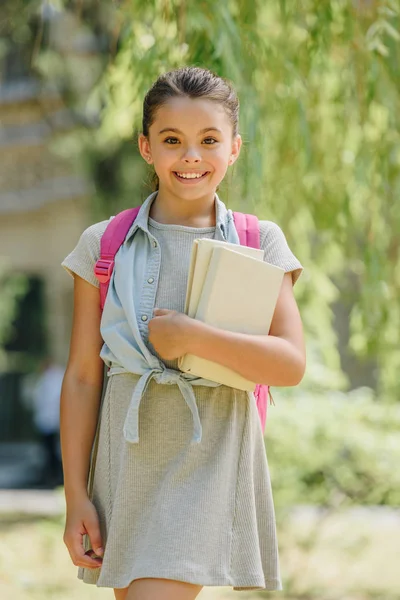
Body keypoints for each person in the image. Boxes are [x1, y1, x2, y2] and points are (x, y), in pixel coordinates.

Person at [60, 66, 305, 600]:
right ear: (146, 148)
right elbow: (82, 378)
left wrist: (194, 337)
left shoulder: (258, 239)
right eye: (172, 141)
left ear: (234, 148)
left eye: (209, 140)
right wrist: (75, 495)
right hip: (126, 468)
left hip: (210, 458)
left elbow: (290, 363)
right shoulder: (103, 244)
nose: (191, 156)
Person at [31, 357, 64, 486]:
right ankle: (52, 475)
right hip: (47, 421)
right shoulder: (46, 379)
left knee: (53, 450)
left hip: (52, 420)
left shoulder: (54, 378)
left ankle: (56, 475)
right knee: (49, 450)